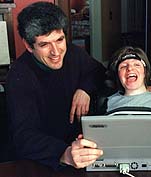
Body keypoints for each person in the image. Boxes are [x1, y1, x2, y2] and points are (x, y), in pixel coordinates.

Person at [6, 2, 106, 170]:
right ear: (29, 46)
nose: (56, 52)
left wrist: (85, 89)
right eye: (44, 44)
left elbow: (98, 71)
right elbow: (24, 136)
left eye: (60, 39)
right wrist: (64, 153)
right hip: (45, 161)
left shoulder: (73, 52)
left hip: (84, 152)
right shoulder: (19, 75)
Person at [96, 46, 151, 115]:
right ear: (118, 75)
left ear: (145, 72)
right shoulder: (108, 102)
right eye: (124, 66)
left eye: (137, 65)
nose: (130, 68)